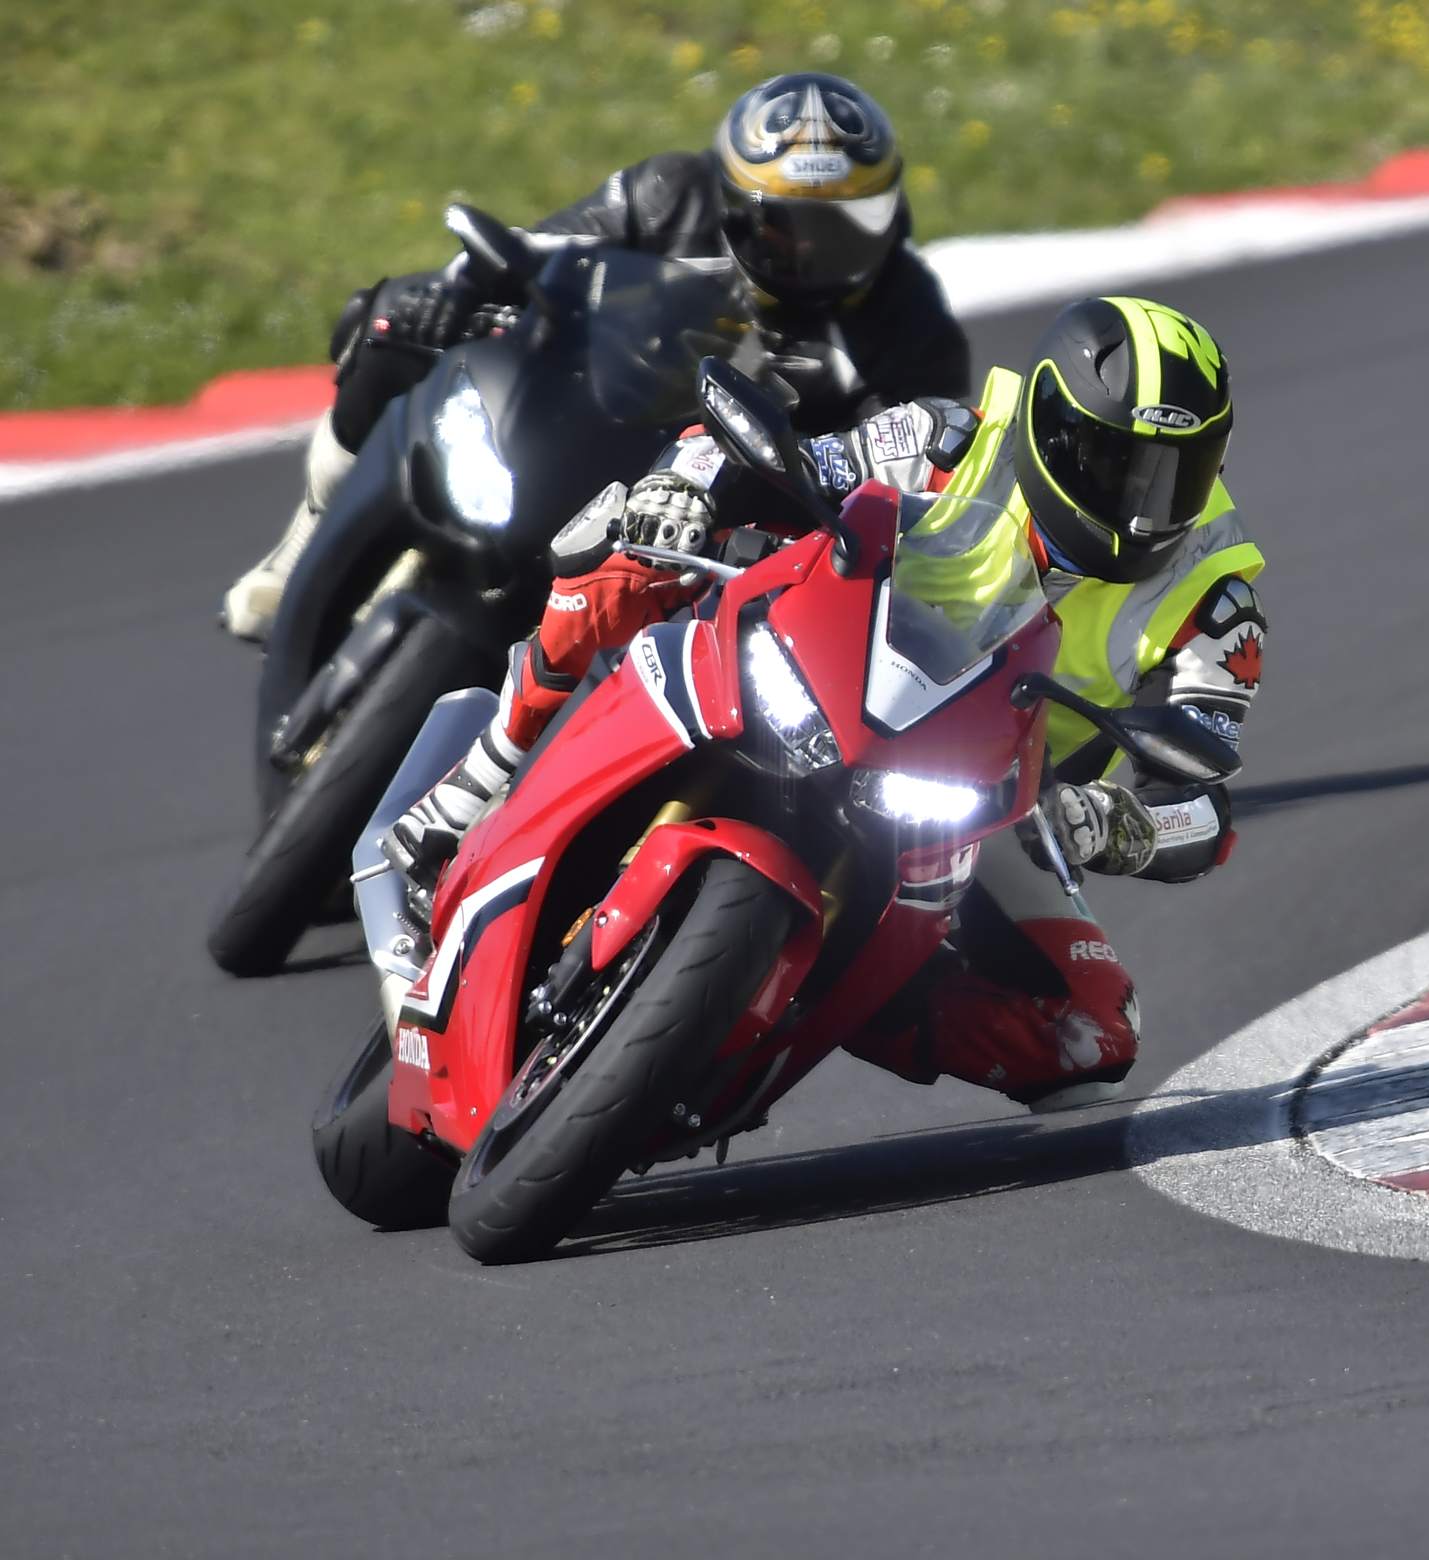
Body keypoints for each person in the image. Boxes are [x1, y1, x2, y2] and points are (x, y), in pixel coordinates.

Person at [386, 296, 1265, 1112]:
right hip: (819, 668)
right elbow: (785, 463)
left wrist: (1118, 824)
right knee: (626, 550)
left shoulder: (1216, 602)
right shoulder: (951, 437)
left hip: (978, 801)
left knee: (1093, 1031)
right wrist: (682, 487)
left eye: (1173, 476)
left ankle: (809, 1006)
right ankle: (483, 772)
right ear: (1047, 425)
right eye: (1113, 463)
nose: (1140, 507)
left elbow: (1202, 796)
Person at [222, 71, 971, 641]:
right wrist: (460, 291)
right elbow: (535, 250)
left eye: (843, 226)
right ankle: (301, 542)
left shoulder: (912, 323)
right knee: (391, 319)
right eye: (786, 225)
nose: (809, 252)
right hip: (586, 415)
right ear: (736, 202)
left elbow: (909, 481)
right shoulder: (670, 193)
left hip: (715, 531)